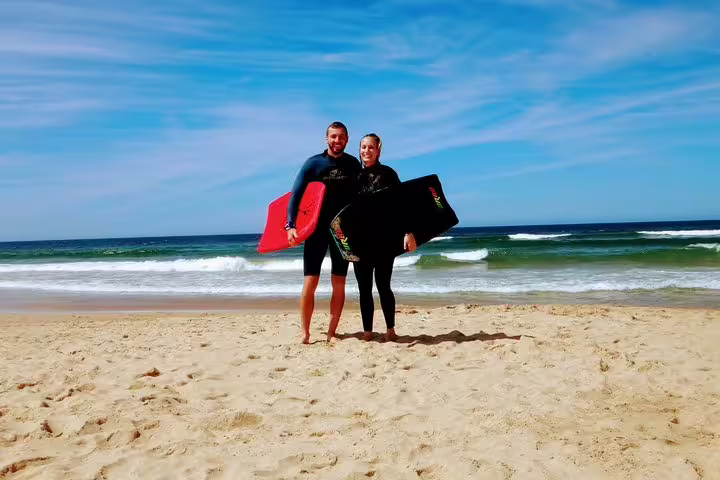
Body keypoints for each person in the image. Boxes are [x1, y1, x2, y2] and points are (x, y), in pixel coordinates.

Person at [286, 121, 362, 344]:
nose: (337, 141)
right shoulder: (313, 164)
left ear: (347, 140)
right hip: (316, 230)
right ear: (326, 139)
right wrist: (291, 226)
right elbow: (295, 195)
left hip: (341, 231)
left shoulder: (353, 164)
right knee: (310, 281)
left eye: (341, 137)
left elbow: (362, 197)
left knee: (339, 282)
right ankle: (305, 333)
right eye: (333, 136)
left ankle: (331, 332)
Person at [353, 133, 416, 342]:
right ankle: (368, 331)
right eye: (363, 147)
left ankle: (390, 329)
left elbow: (403, 204)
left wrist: (408, 232)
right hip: (360, 241)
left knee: (383, 286)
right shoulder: (356, 176)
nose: (366, 151)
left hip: (384, 241)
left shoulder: (388, 174)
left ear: (378, 150)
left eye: (370, 147)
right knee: (364, 289)